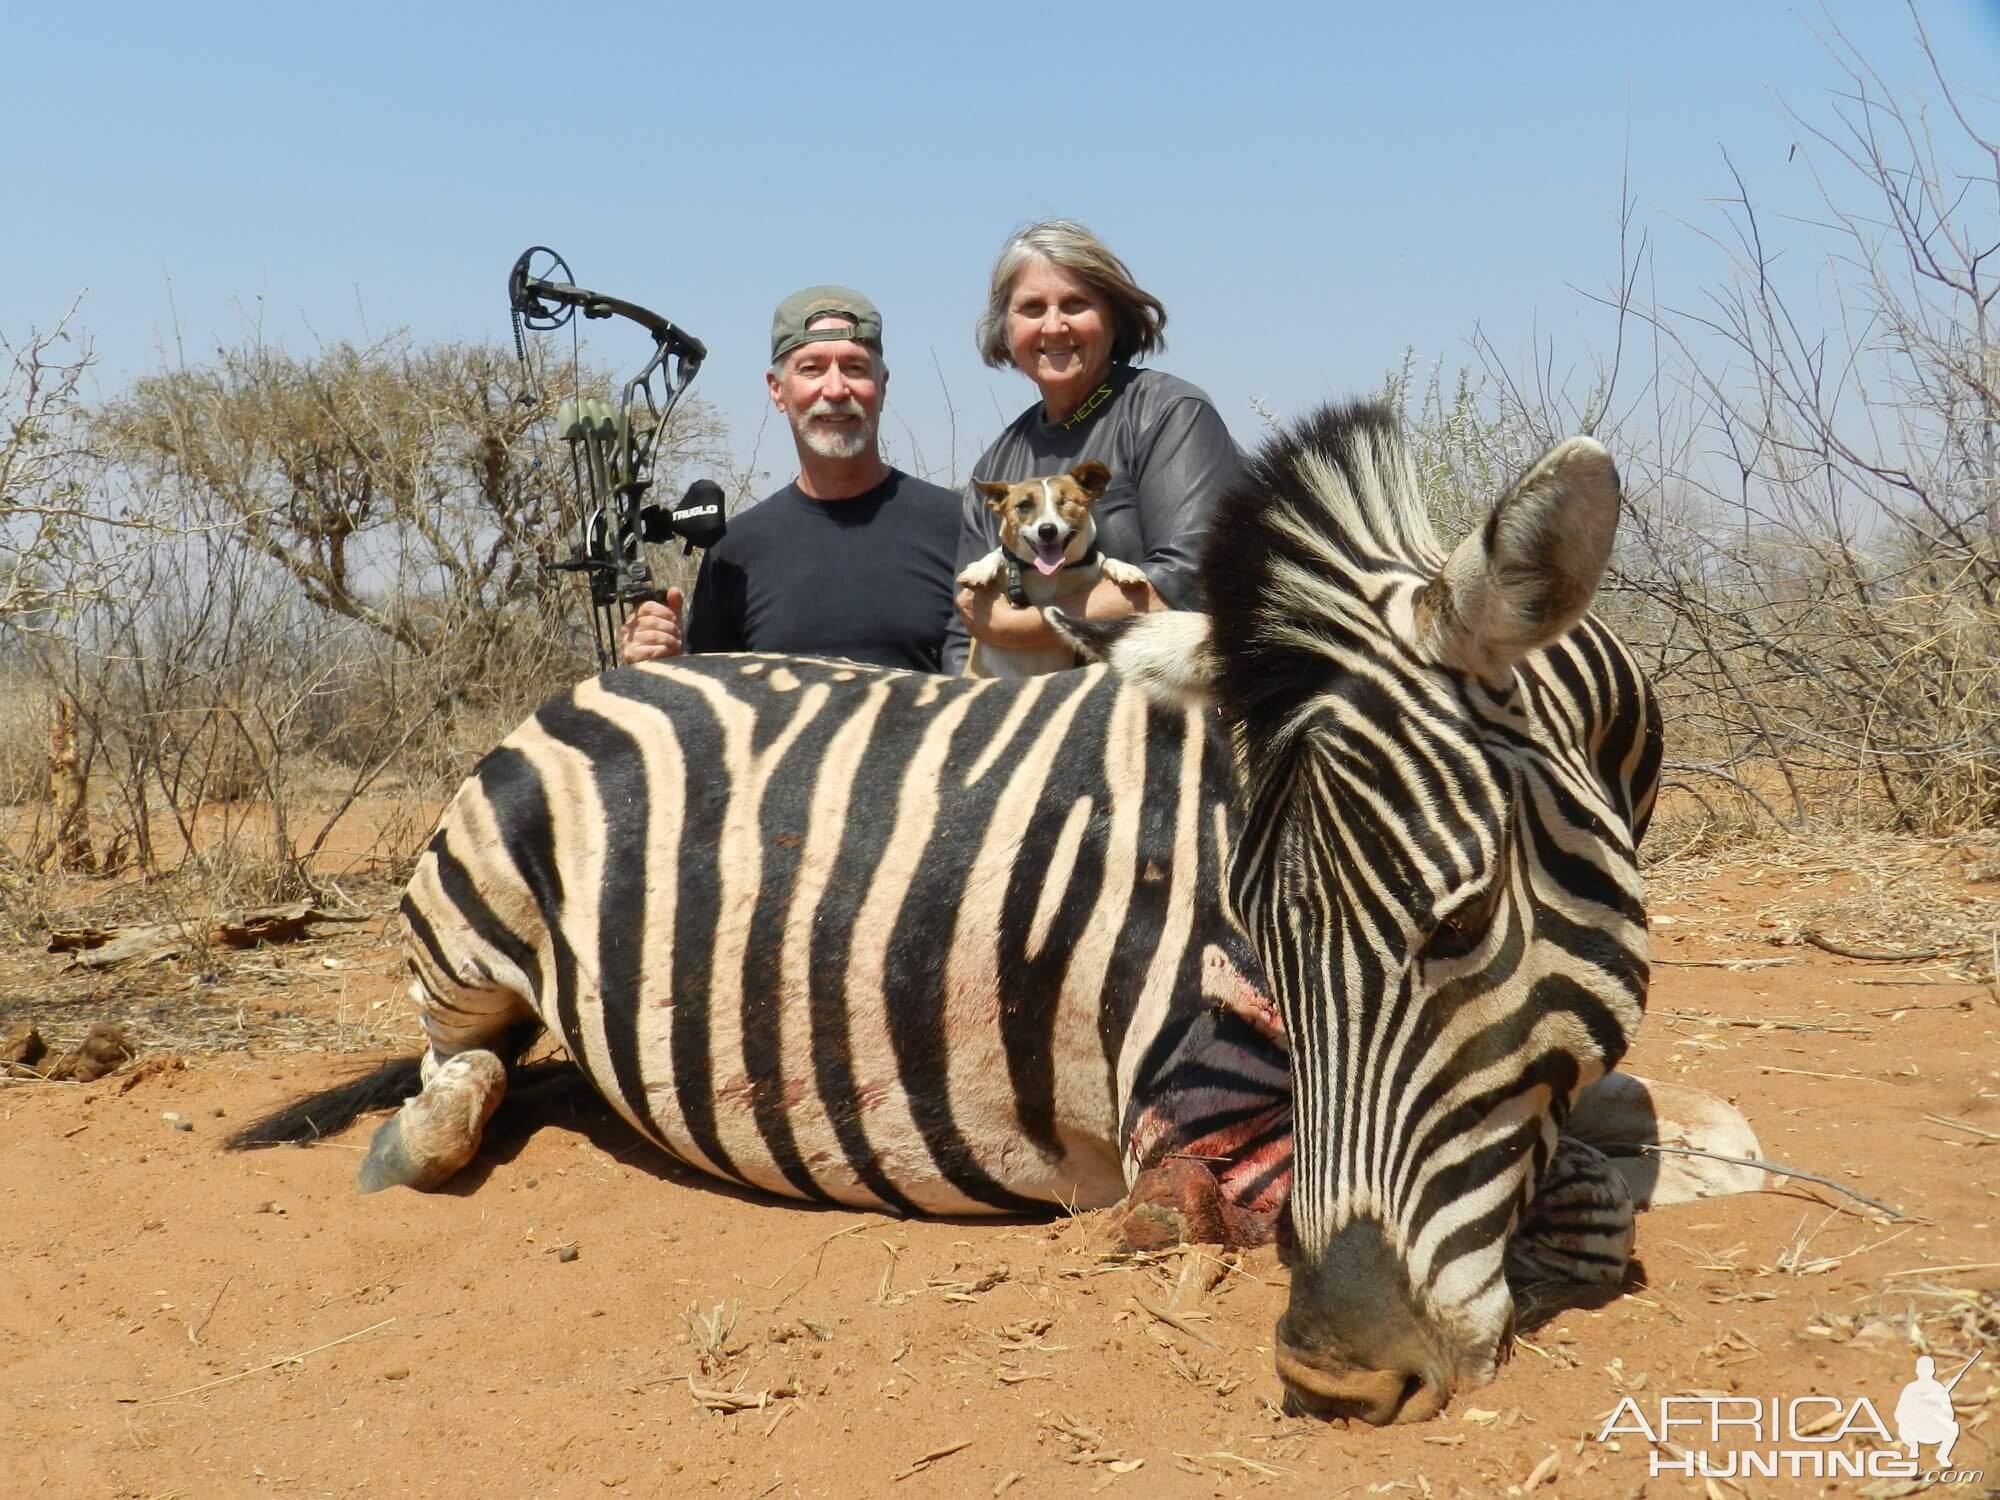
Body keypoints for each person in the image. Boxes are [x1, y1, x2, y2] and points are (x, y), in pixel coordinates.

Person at [943, 220, 1243, 674]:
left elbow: (1187, 579)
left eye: (1076, 303)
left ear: (1112, 315)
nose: (1054, 326)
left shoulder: (1170, 413)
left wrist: (1023, 628)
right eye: (1031, 308)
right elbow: (961, 632)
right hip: (1023, 720)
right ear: (1005, 329)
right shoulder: (998, 460)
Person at [619, 286, 961, 673]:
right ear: (778, 390)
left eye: (854, 368)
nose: (835, 390)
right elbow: (712, 714)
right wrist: (660, 665)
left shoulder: (962, 526)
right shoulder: (734, 551)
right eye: (811, 369)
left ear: (881, 386)